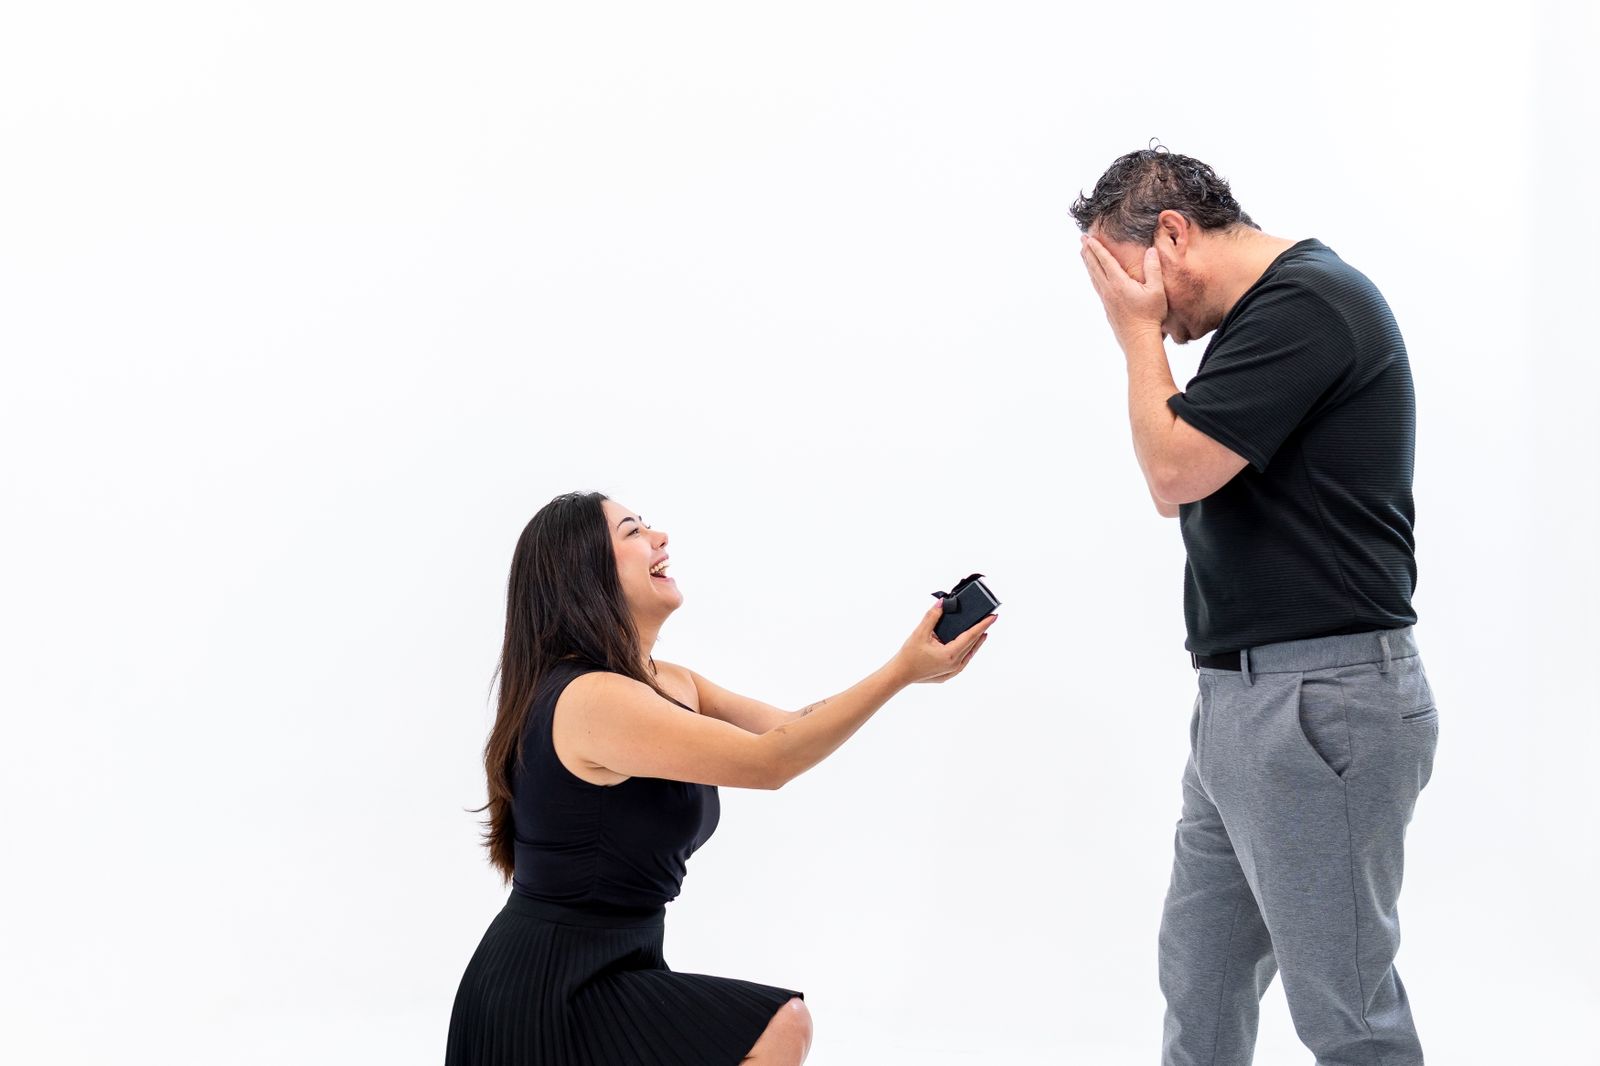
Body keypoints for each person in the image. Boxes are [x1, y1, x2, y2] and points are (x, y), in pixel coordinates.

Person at [1072, 147, 1437, 1066]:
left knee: (1349, 1016)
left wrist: (1136, 337)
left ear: (1171, 233)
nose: (1130, 304)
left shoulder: (1307, 304)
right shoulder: (1261, 321)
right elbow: (1188, 476)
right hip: (1243, 703)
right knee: (1200, 988)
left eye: (1126, 278)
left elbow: (1172, 473)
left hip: (1321, 702)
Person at [445, 491, 995, 1066]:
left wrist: (907, 673)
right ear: (585, 573)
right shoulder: (591, 698)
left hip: (617, 968)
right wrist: (899, 672)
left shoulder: (670, 682)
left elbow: (789, 728)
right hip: (547, 994)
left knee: (776, 1026)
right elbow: (770, 762)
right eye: (632, 531)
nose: (659, 538)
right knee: (781, 1025)